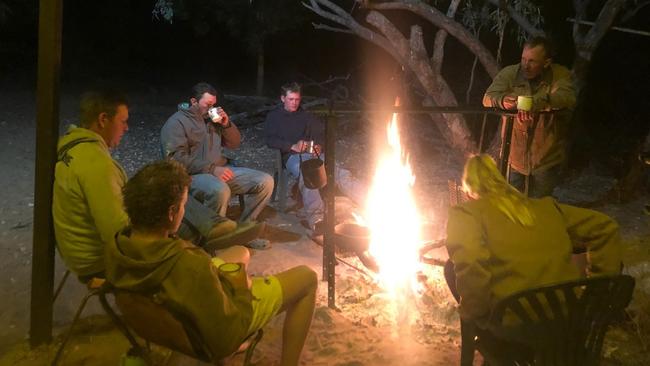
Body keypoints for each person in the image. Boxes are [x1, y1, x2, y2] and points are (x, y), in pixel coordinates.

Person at [105, 160, 317, 365]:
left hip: (168, 306)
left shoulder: (119, 248)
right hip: (211, 334)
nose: (184, 211)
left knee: (240, 252)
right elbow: (226, 334)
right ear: (171, 213)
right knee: (307, 277)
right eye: (183, 206)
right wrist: (242, 288)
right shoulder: (189, 262)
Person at [52, 90, 237, 281]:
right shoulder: (95, 164)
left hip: (82, 253)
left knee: (170, 194)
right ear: (103, 119)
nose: (126, 128)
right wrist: (162, 228)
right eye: (123, 121)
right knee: (186, 223)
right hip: (100, 260)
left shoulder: (76, 149)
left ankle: (213, 228)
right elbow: (119, 232)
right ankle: (202, 270)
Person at [445, 154, 622, 325]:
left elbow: (471, 261)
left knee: (450, 269)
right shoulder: (546, 207)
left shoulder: (467, 213)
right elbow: (605, 226)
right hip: (565, 316)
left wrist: (475, 312)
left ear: (469, 192)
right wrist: (597, 293)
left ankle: (498, 349)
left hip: (516, 323)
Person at [161, 82, 274, 226]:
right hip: (191, 176)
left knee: (265, 181)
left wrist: (227, 124)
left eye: (214, 105)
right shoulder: (176, 123)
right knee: (220, 190)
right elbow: (175, 160)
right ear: (194, 102)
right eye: (208, 104)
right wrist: (212, 169)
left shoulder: (212, 121)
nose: (212, 109)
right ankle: (214, 236)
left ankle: (245, 227)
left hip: (219, 170)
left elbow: (234, 143)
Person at [265, 81, 364, 234]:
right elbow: (270, 140)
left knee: (340, 172)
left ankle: (370, 201)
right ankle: (317, 220)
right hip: (291, 157)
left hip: (313, 154)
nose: (294, 103)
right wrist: (292, 146)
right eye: (291, 99)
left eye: (297, 100)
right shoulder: (274, 117)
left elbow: (321, 134)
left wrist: (318, 145)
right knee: (308, 176)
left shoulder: (305, 116)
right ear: (283, 98)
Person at [483, 36, 576, 197]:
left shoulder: (559, 75)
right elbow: (487, 98)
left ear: (546, 63)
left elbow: (567, 98)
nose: (526, 65)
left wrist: (536, 104)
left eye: (532, 61)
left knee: (539, 208)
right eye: (523, 59)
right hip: (514, 156)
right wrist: (503, 101)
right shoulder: (510, 73)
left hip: (546, 158)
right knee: (512, 207)